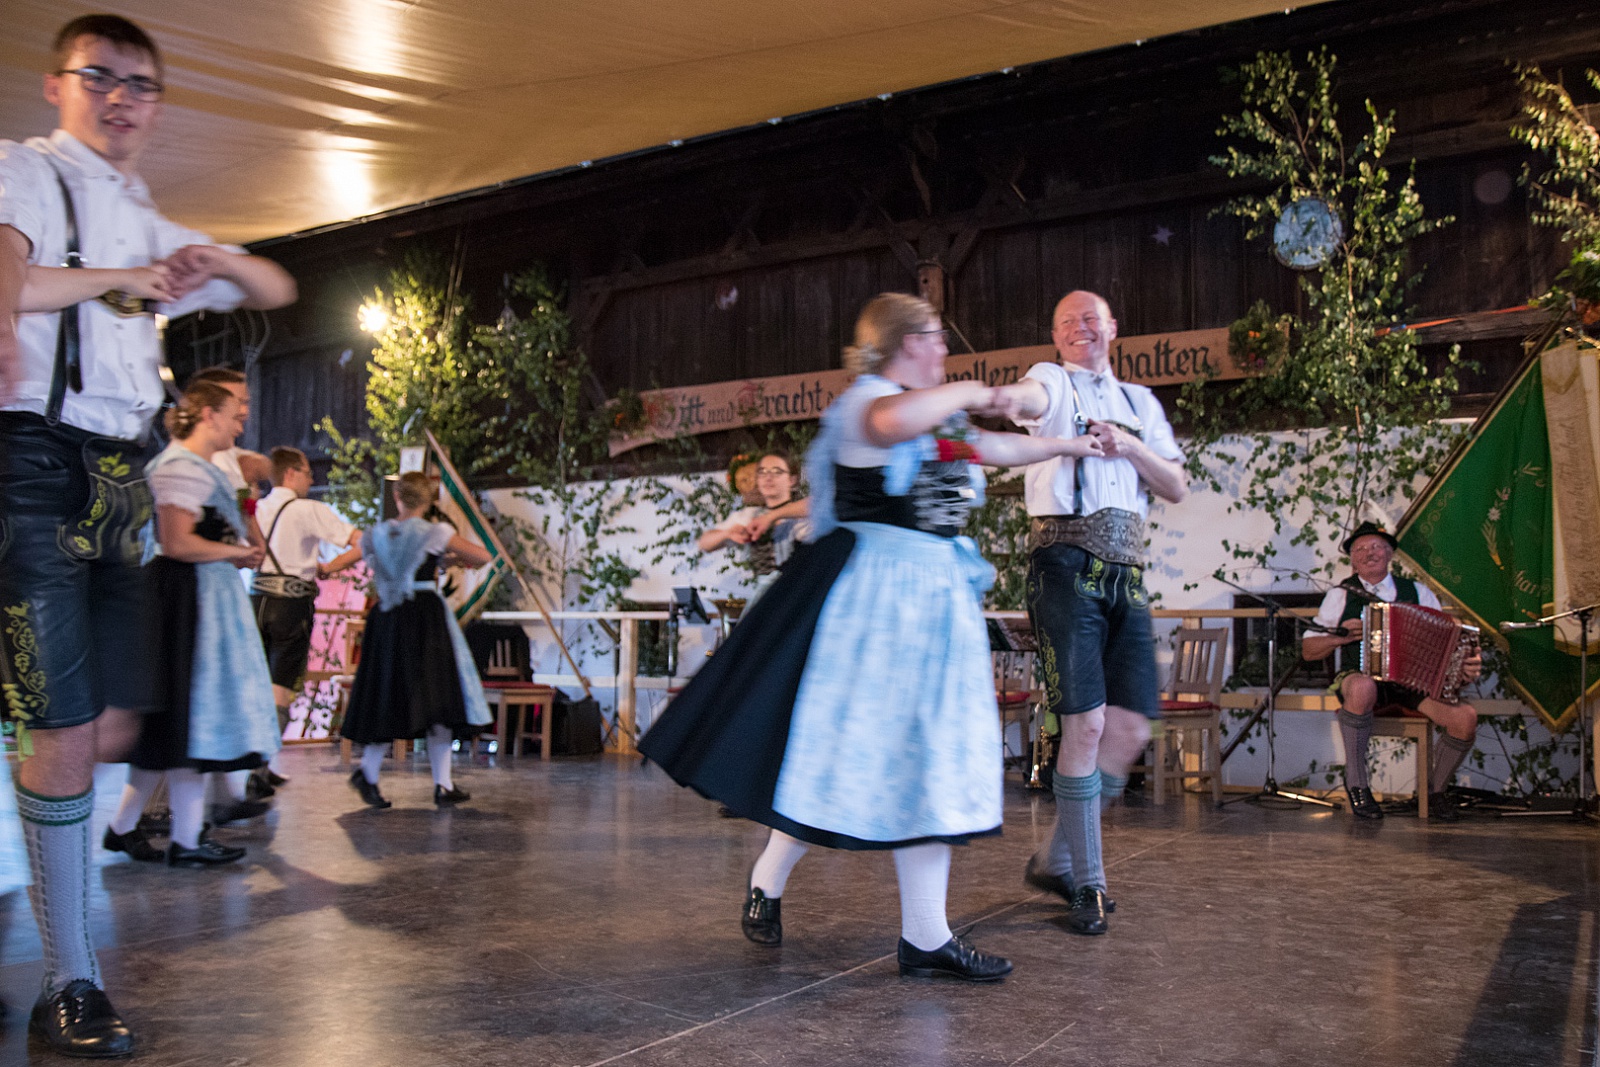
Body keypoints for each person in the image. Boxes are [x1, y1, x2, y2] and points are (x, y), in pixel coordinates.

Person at [642, 292, 1103, 982]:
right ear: (907, 343)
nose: (944, 349)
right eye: (936, 338)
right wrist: (977, 389)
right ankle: (768, 878)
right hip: (876, 602)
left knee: (930, 755)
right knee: (840, 757)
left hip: (935, 594)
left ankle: (925, 935)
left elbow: (994, 446)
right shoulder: (866, 405)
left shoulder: (934, 418)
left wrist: (1070, 444)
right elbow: (893, 423)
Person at [0, 14, 294, 1056]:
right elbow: (13, 279)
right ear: (57, 84)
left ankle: (47, 902)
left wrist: (215, 258)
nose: (121, 97)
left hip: (116, 478)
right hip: (33, 458)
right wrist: (120, 281)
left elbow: (275, 286)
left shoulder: (140, 213)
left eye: (141, 84)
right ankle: (70, 979)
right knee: (62, 728)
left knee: (113, 721)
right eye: (100, 76)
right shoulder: (26, 171)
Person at [992, 290, 1188, 937]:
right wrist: (1004, 400)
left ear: (1112, 327)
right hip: (1063, 563)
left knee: (1129, 730)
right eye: (1068, 321)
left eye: (1091, 318)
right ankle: (1089, 882)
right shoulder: (1052, 381)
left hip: (1126, 571)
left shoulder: (1141, 402)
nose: (1081, 328)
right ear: (1055, 336)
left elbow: (1175, 485)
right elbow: (1027, 400)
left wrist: (1128, 445)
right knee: (1086, 725)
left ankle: (1055, 858)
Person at [104, 381, 281, 872]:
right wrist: (234, 551)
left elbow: (229, 536)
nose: (239, 424)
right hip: (187, 596)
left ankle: (125, 827)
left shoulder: (199, 466)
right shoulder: (180, 465)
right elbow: (177, 542)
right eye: (233, 413)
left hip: (200, 592)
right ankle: (184, 840)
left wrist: (240, 534)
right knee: (191, 717)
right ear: (207, 414)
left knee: (178, 723)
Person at [1302, 521, 1482, 821]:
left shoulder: (1418, 592)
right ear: (1352, 560)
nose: (1368, 553)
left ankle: (1434, 792)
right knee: (1363, 687)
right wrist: (1340, 637)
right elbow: (1308, 650)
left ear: (1389, 554)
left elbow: (1447, 642)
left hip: (1410, 684)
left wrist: (1465, 665)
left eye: (1376, 547)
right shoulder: (1340, 595)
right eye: (1360, 549)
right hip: (1358, 678)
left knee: (1466, 718)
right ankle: (1357, 783)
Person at [339, 472, 494, 808]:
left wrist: (325, 568)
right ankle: (443, 783)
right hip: (424, 618)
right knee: (438, 698)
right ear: (429, 499)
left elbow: (358, 556)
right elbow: (484, 556)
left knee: (388, 694)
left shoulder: (376, 533)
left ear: (397, 497)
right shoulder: (434, 532)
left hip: (386, 618)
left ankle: (368, 773)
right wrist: (449, 557)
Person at [251, 446, 360, 786]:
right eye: (308, 473)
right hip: (291, 603)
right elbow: (361, 542)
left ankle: (251, 766)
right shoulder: (307, 509)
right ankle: (259, 769)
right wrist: (330, 567)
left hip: (255, 599)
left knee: (255, 687)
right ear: (291, 473)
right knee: (280, 689)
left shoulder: (257, 508)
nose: (312, 480)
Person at [698, 450, 805, 579]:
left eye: (777, 472)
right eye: (762, 472)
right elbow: (704, 543)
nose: (768, 478)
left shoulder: (804, 510)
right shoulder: (749, 515)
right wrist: (727, 533)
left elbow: (818, 505)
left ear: (792, 480)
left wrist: (770, 517)